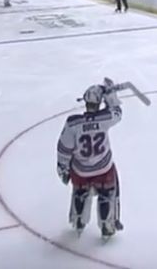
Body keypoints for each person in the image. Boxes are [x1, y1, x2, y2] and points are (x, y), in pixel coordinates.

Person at [56, 78, 124, 239]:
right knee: (109, 192)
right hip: (103, 169)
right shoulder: (105, 119)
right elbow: (117, 112)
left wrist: (63, 168)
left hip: (81, 170)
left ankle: (78, 219)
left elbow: (64, 148)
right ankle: (108, 225)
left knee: (80, 191)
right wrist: (110, 94)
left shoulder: (73, 123)